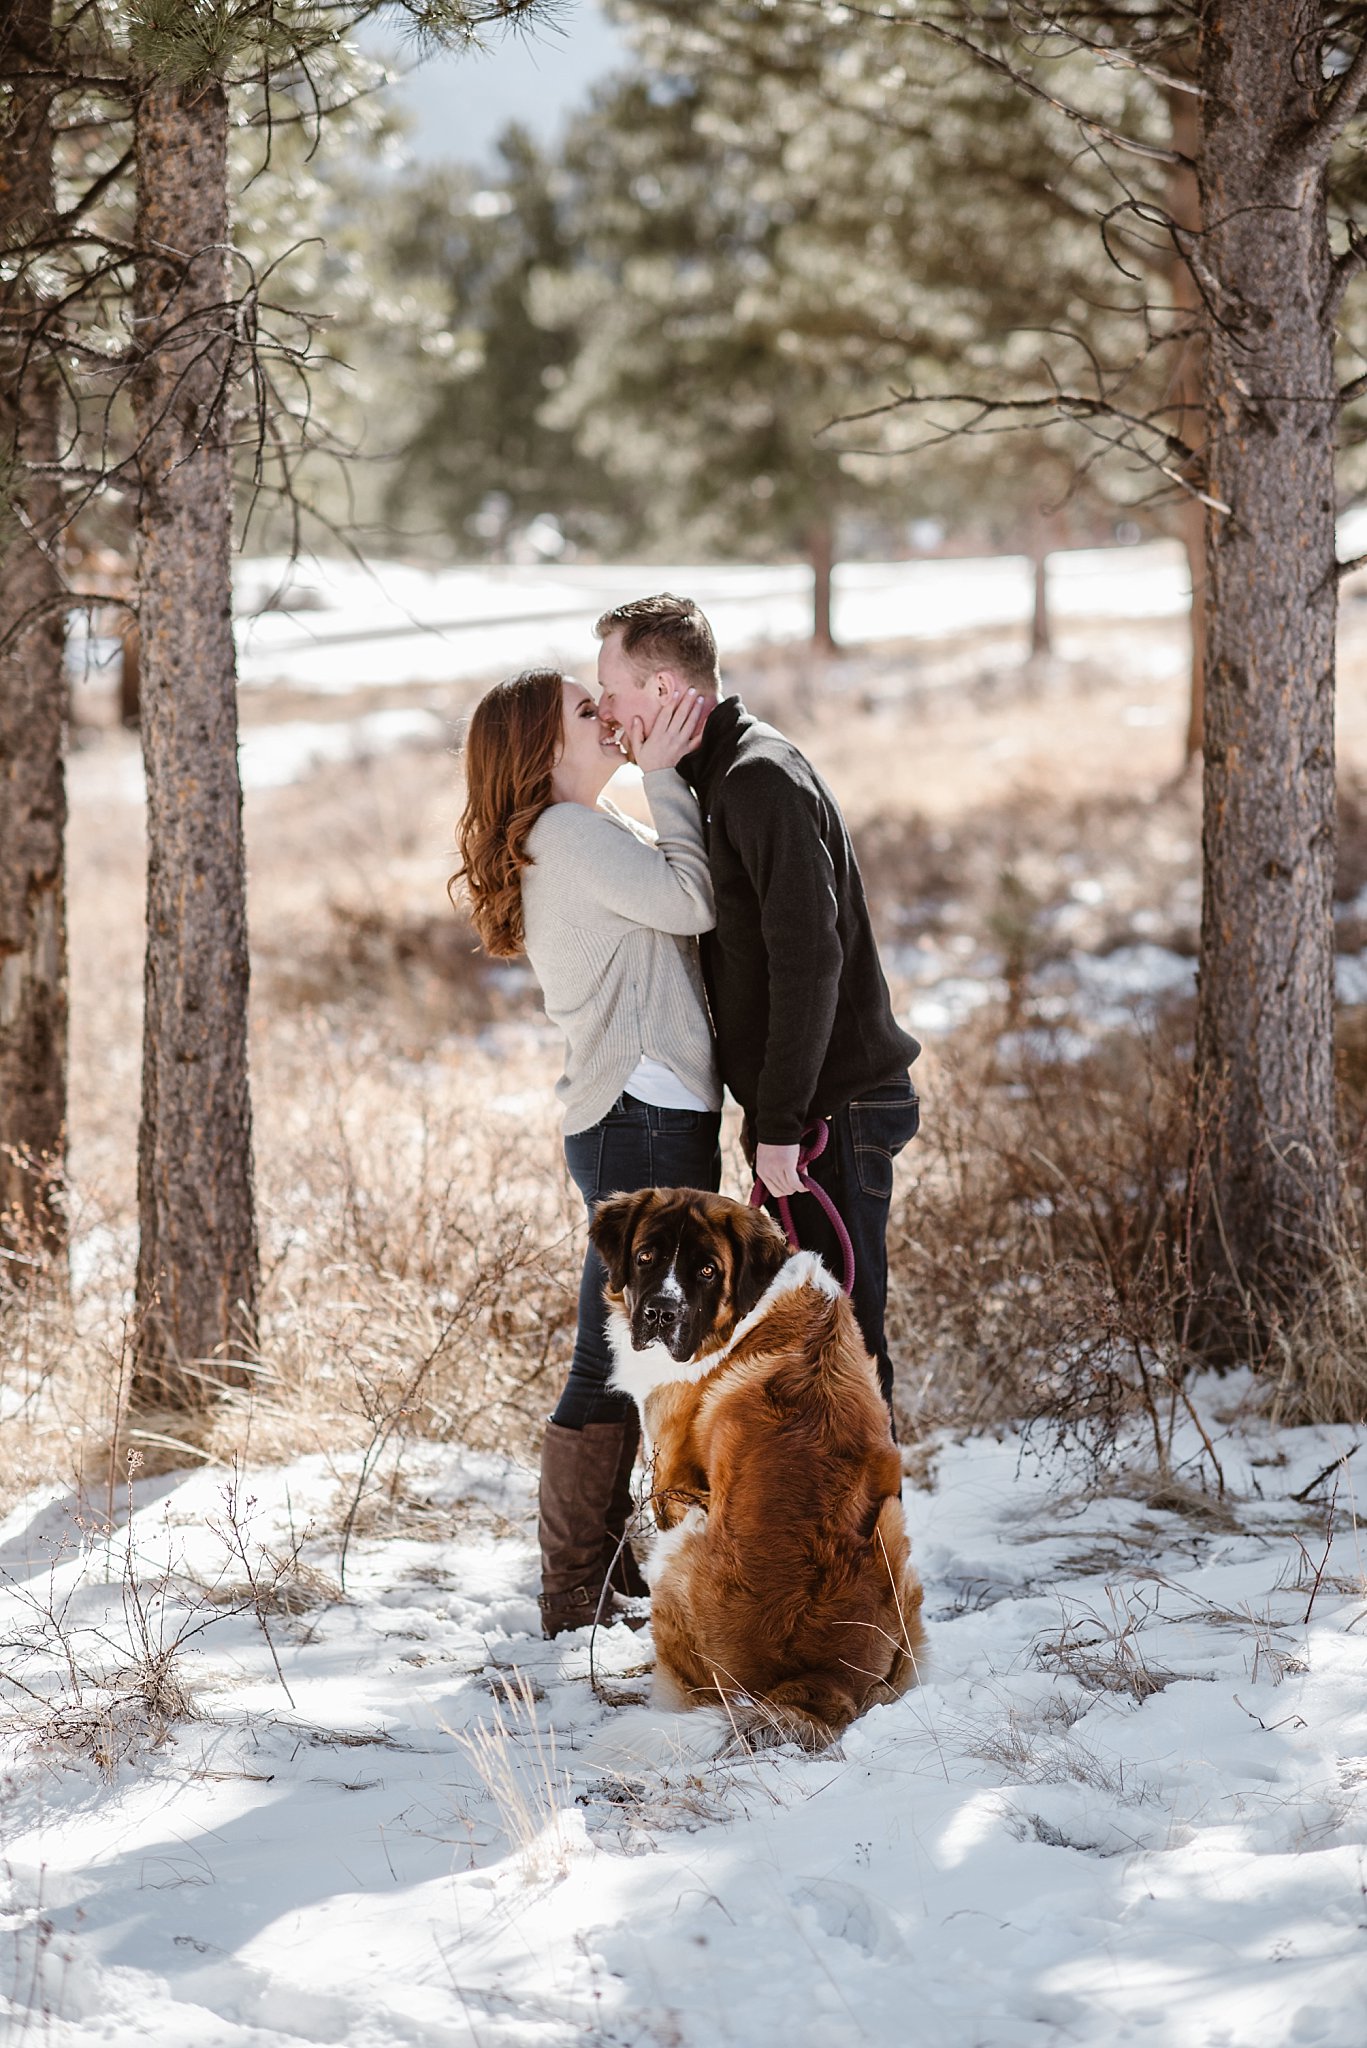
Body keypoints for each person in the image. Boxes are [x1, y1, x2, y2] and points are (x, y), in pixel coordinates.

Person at [595, 595, 920, 1414]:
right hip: (809, 1106)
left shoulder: (756, 779)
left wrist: (778, 1125)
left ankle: (865, 1541)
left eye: (614, 688)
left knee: (840, 1339)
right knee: (805, 1338)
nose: (604, 711)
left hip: (832, 1108)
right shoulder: (723, 776)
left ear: (665, 689)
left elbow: (810, 962)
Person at [453, 667, 720, 1637]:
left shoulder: (569, 833)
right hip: (640, 1114)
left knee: (620, 1354)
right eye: (583, 709)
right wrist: (662, 776)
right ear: (541, 747)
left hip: (636, 1115)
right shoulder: (565, 833)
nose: (604, 716)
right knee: (621, 1357)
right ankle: (576, 1588)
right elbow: (692, 903)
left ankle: (596, 1578)